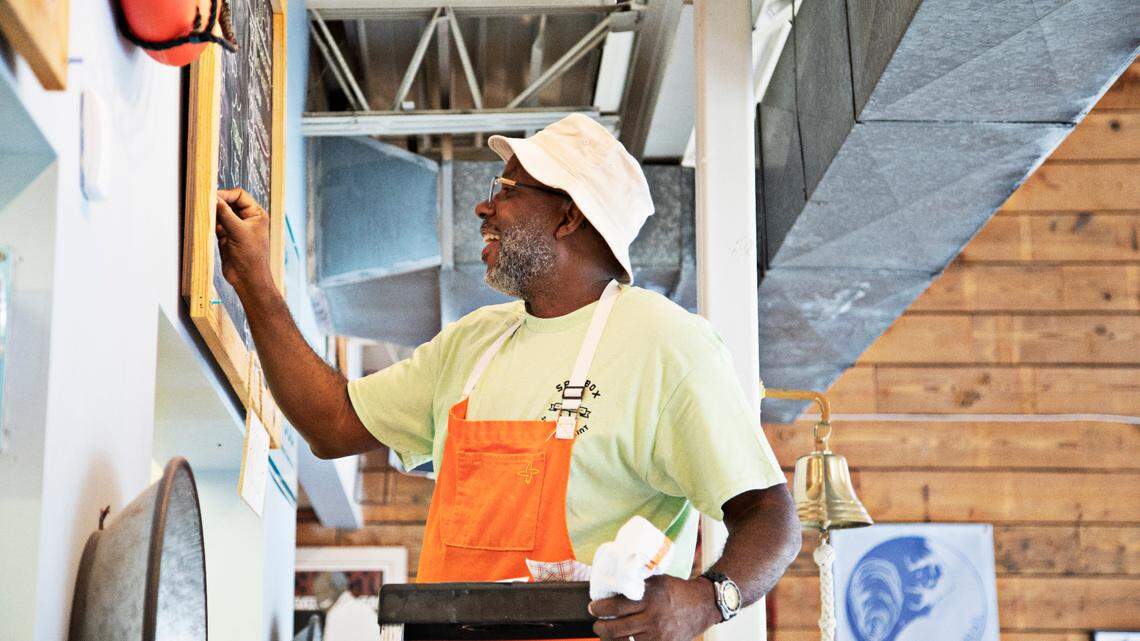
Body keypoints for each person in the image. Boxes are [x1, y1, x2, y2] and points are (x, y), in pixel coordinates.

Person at [215, 114, 801, 641]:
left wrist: (705, 600)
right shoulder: (475, 343)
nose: (483, 206)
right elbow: (332, 424)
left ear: (569, 214)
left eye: (508, 189)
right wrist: (255, 285)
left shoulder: (667, 344)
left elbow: (770, 516)